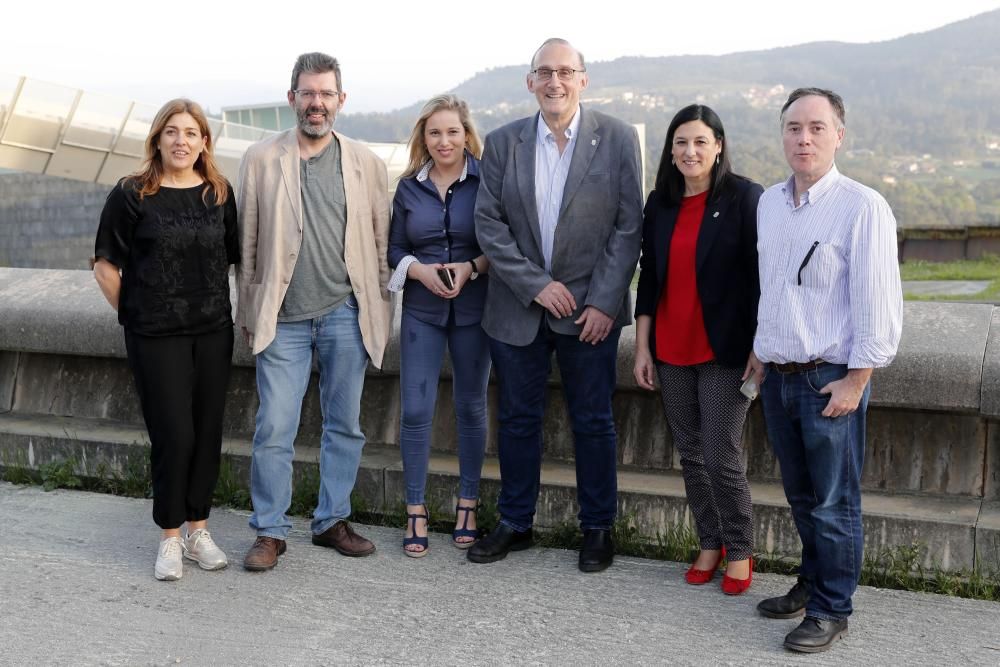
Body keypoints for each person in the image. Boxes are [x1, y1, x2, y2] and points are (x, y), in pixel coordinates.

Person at [471, 38, 643, 572]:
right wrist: (535, 284)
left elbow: (627, 225)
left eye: (566, 71)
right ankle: (516, 524)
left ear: (583, 80)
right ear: (530, 82)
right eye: (544, 72)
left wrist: (604, 302)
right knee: (518, 420)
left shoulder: (615, 139)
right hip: (517, 308)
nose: (555, 81)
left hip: (591, 313)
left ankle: (597, 529)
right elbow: (489, 224)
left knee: (593, 421)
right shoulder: (502, 143)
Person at [747, 87, 902, 652]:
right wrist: (760, 354)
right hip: (779, 377)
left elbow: (878, 306)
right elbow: (774, 290)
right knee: (800, 495)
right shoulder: (768, 203)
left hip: (829, 377)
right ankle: (811, 584)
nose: (803, 137)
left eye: (816, 127)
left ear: (839, 134)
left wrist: (857, 381)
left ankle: (833, 608)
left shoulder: (863, 207)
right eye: (793, 127)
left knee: (836, 502)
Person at [236, 52, 392, 571]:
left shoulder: (367, 163)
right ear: (292, 98)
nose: (317, 103)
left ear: (340, 100)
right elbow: (249, 244)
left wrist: (378, 308)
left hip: (346, 313)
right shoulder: (261, 159)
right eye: (308, 93)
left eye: (326, 94)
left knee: (345, 425)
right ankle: (269, 532)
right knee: (275, 426)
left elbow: (380, 243)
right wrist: (251, 313)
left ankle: (331, 521)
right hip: (283, 319)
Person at [93, 98, 238, 581]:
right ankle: (170, 537)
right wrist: (135, 313)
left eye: (191, 133)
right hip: (155, 337)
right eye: (172, 132)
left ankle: (200, 531)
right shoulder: (132, 194)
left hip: (213, 331)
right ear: (157, 139)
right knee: (174, 437)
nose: (181, 141)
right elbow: (105, 265)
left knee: (206, 434)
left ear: (204, 143)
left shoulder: (218, 193)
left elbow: (232, 257)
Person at [633, 104, 762, 594]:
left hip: (725, 349)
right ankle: (709, 541)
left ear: (719, 146)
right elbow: (648, 281)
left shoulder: (745, 198)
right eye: (682, 142)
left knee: (720, 452)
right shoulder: (660, 203)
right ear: (671, 149)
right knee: (689, 452)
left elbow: (761, 278)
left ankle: (741, 548)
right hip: (671, 345)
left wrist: (761, 347)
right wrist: (642, 348)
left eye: (701, 142)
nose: (690, 151)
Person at [387, 95, 491, 557]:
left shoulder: (489, 182)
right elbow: (393, 250)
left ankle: (468, 503)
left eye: (452, 132)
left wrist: (472, 266)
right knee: (414, 410)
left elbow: (504, 244)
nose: (444, 141)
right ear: (423, 138)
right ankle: (416, 508)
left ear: (466, 135)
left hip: (475, 311)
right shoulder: (409, 187)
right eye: (434, 133)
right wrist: (418, 270)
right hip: (421, 313)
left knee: (471, 406)